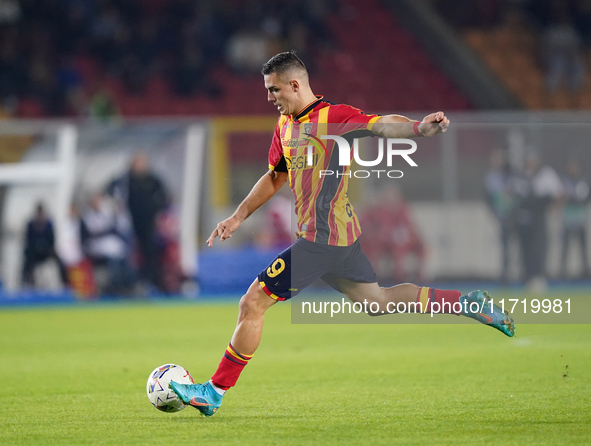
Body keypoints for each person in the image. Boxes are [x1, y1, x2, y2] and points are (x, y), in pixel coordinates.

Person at [169, 52, 515, 417]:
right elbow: (275, 176)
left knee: (252, 303)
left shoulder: (333, 117)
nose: (269, 97)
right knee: (377, 302)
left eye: (273, 89)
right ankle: (466, 303)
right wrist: (238, 216)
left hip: (322, 239)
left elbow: (381, 125)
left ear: (295, 84)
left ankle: (214, 391)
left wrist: (419, 128)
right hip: (339, 238)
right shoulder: (285, 126)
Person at [107, 152, 168, 293]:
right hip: (128, 223)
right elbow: (110, 191)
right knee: (128, 253)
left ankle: (149, 282)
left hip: (148, 223)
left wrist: (156, 211)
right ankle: (128, 283)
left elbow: (164, 197)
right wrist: (115, 204)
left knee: (149, 252)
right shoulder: (125, 180)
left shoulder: (152, 180)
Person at [21, 202, 68, 288]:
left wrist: (49, 248)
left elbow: (52, 239)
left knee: (60, 261)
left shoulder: (49, 224)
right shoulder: (31, 224)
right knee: (26, 262)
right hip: (34, 252)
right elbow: (28, 239)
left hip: (47, 251)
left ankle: (65, 282)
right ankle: (26, 282)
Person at [559, 157, 590, 279]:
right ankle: (562, 271)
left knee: (582, 246)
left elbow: (584, 198)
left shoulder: (583, 182)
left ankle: (585, 271)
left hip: (580, 218)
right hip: (567, 219)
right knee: (565, 246)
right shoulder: (564, 182)